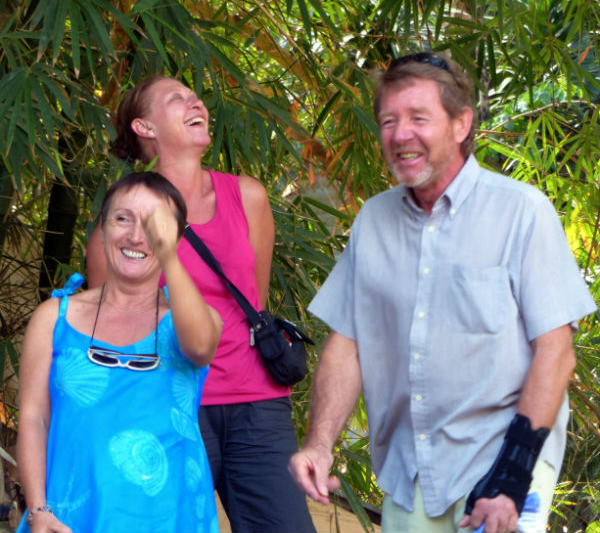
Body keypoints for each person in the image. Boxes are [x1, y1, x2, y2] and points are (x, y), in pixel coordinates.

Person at [288, 52, 597, 533]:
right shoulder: (373, 221)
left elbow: (556, 353)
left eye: (418, 118)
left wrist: (511, 477)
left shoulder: (521, 213)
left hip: (503, 459)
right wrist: (319, 443)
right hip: (411, 471)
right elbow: (348, 343)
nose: (400, 134)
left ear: (461, 123)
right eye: (389, 120)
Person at [86, 76, 315, 533]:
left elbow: (254, 300)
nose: (196, 102)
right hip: (165, 401)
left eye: (196, 96)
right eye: (177, 99)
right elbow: (105, 328)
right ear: (145, 127)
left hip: (257, 403)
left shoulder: (246, 195)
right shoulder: (121, 222)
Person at [17, 171, 222, 533]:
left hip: (171, 519)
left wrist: (168, 257)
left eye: (154, 225)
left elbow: (202, 347)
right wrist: (38, 511)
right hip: (67, 518)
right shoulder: (54, 317)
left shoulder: (193, 321)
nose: (136, 235)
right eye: (123, 218)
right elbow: (34, 418)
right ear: (102, 228)